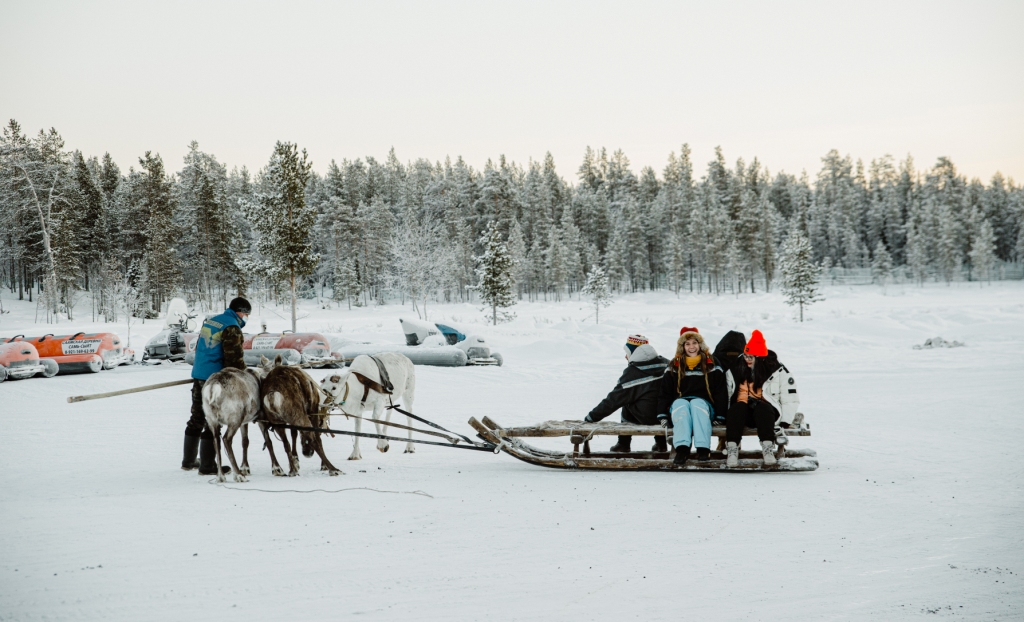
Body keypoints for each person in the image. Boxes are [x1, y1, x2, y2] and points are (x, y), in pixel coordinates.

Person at [181, 297, 251, 474]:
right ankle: (207, 466)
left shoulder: (212, 321)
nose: (246, 318)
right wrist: (245, 376)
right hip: (214, 380)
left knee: (197, 415)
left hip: (199, 373)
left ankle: (188, 461)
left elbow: (199, 347)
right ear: (239, 312)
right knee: (213, 420)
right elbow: (233, 359)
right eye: (246, 314)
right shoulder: (232, 328)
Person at [723, 329, 800, 468]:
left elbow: (790, 397)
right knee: (737, 406)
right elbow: (726, 394)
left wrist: (785, 421)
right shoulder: (735, 367)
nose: (747, 360)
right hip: (742, 413)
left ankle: (767, 447)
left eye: (751, 357)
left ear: (760, 357)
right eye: (745, 355)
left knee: (762, 407)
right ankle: (732, 448)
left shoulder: (778, 371)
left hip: (767, 414)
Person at [584, 334, 670, 453]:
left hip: (650, 417)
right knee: (654, 398)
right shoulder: (666, 363)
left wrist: (591, 417)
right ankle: (661, 444)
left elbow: (613, 400)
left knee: (627, 400)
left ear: (635, 352)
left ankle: (623, 444)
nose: (625, 356)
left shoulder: (633, 372)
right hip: (668, 415)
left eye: (628, 352)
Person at [656, 327, 728, 465]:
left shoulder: (712, 364)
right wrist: (662, 415)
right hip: (680, 403)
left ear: (700, 344)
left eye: (694, 343)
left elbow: (720, 391)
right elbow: (665, 392)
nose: (691, 347)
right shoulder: (674, 365)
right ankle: (682, 449)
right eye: (687, 344)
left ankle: (703, 448)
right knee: (680, 404)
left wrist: (720, 415)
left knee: (696, 404)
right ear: (682, 347)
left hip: (705, 406)